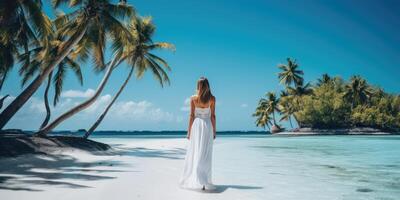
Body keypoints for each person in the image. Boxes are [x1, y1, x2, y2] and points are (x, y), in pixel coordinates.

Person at [179, 77, 216, 191]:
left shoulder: (193, 98)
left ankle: (199, 179)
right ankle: (204, 181)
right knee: (205, 153)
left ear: (198, 86)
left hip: (197, 126)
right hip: (207, 125)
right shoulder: (212, 99)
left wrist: (189, 131)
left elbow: (191, 116)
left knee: (196, 152)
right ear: (207, 86)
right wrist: (214, 131)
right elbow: (213, 116)